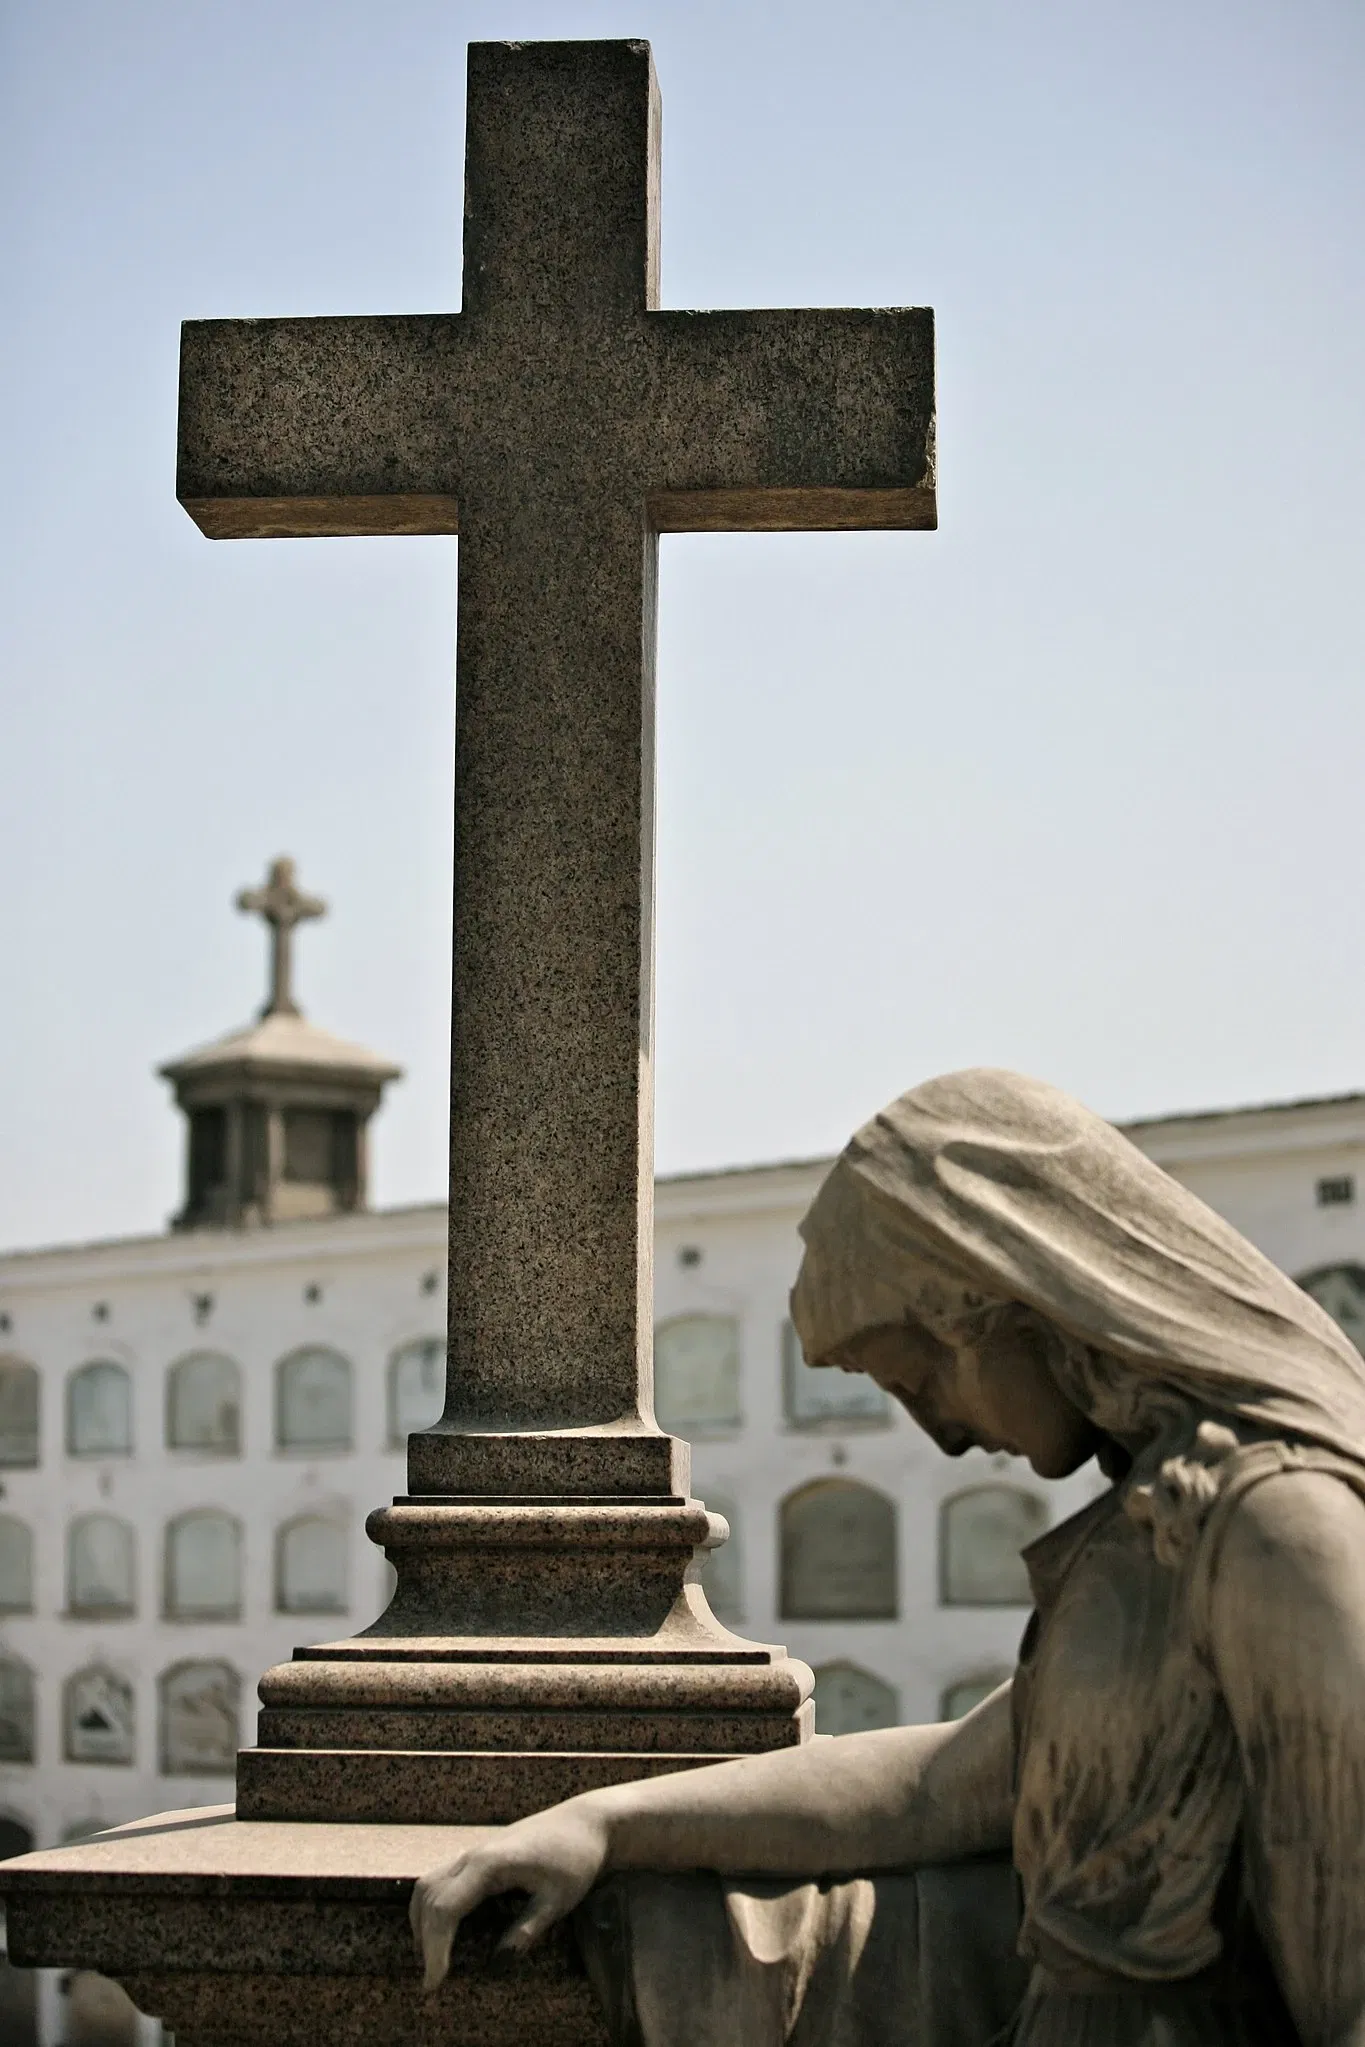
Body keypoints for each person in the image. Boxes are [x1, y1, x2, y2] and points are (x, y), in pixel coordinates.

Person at [411, 1069, 1365, 2045]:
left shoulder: (1278, 1530)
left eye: (919, 1374)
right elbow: (938, 1785)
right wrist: (607, 1822)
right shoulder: (1165, 1526)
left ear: (1005, 1294)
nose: (942, 1435)